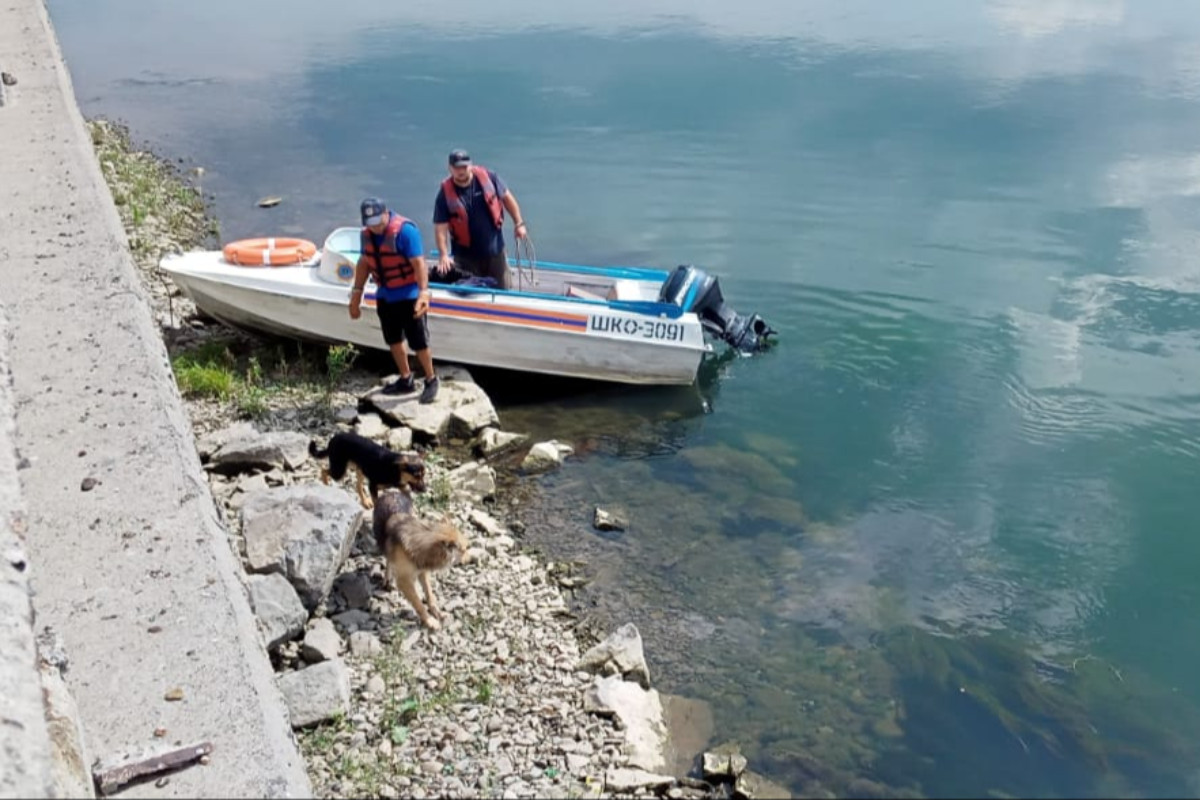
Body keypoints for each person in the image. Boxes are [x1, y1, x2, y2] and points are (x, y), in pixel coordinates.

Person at [348, 197, 439, 403]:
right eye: (370, 224)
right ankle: (405, 378)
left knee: (419, 341)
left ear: (386, 214)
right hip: (385, 295)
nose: (376, 228)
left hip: (409, 295)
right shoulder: (367, 236)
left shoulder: (405, 232)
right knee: (393, 340)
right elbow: (364, 263)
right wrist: (356, 295)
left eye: (378, 223)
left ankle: (431, 379)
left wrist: (424, 293)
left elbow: (419, 264)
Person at [433, 149, 528, 290]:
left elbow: (508, 199)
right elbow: (440, 226)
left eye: (464, 167)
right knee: (470, 294)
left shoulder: (489, 178)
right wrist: (443, 254)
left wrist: (519, 223)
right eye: (457, 168)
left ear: (470, 165)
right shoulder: (445, 193)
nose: (461, 171)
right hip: (465, 256)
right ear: (450, 168)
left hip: (495, 252)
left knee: (503, 290)